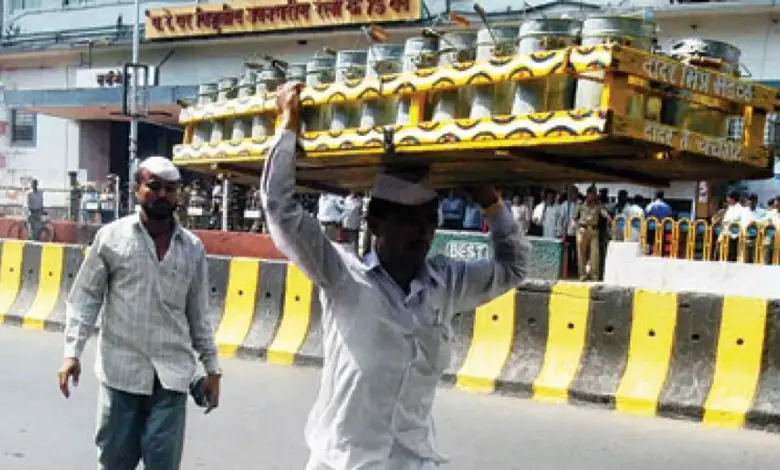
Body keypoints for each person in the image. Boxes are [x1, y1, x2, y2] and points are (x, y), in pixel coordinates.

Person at [261, 82, 530, 470]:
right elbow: (280, 210)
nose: (423, 233)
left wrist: (491, 203)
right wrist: (288, 126)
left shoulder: (445, 283)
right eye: (409, 222)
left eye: (429, 222)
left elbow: (514, 267)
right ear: (376, 224)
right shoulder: (342, 276)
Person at [57, 156, 222, 470]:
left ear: (178, 195)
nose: (162, 194)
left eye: (170, 189)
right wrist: (71, 353)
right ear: (137, 190)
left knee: (163, 465)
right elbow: (85, 298)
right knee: (115, 462)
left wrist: (212, 369)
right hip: (121, 375)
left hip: (171, 378)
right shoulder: (111, 238)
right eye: (154, 186)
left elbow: (199, 314)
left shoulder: (192, 248)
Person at [573, 185, 612, 281]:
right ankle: (582, 275)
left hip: (594, 230)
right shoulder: (581, 205)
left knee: (594, 255)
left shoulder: (598, 206)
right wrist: (575, 225)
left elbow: (605, 214)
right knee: (581, 254)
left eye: (594, 194)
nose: (592, 196)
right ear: (587, 194)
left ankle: (594, 276)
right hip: (582, 229)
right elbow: (575, 218)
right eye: (591, 194)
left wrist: (609, 218)